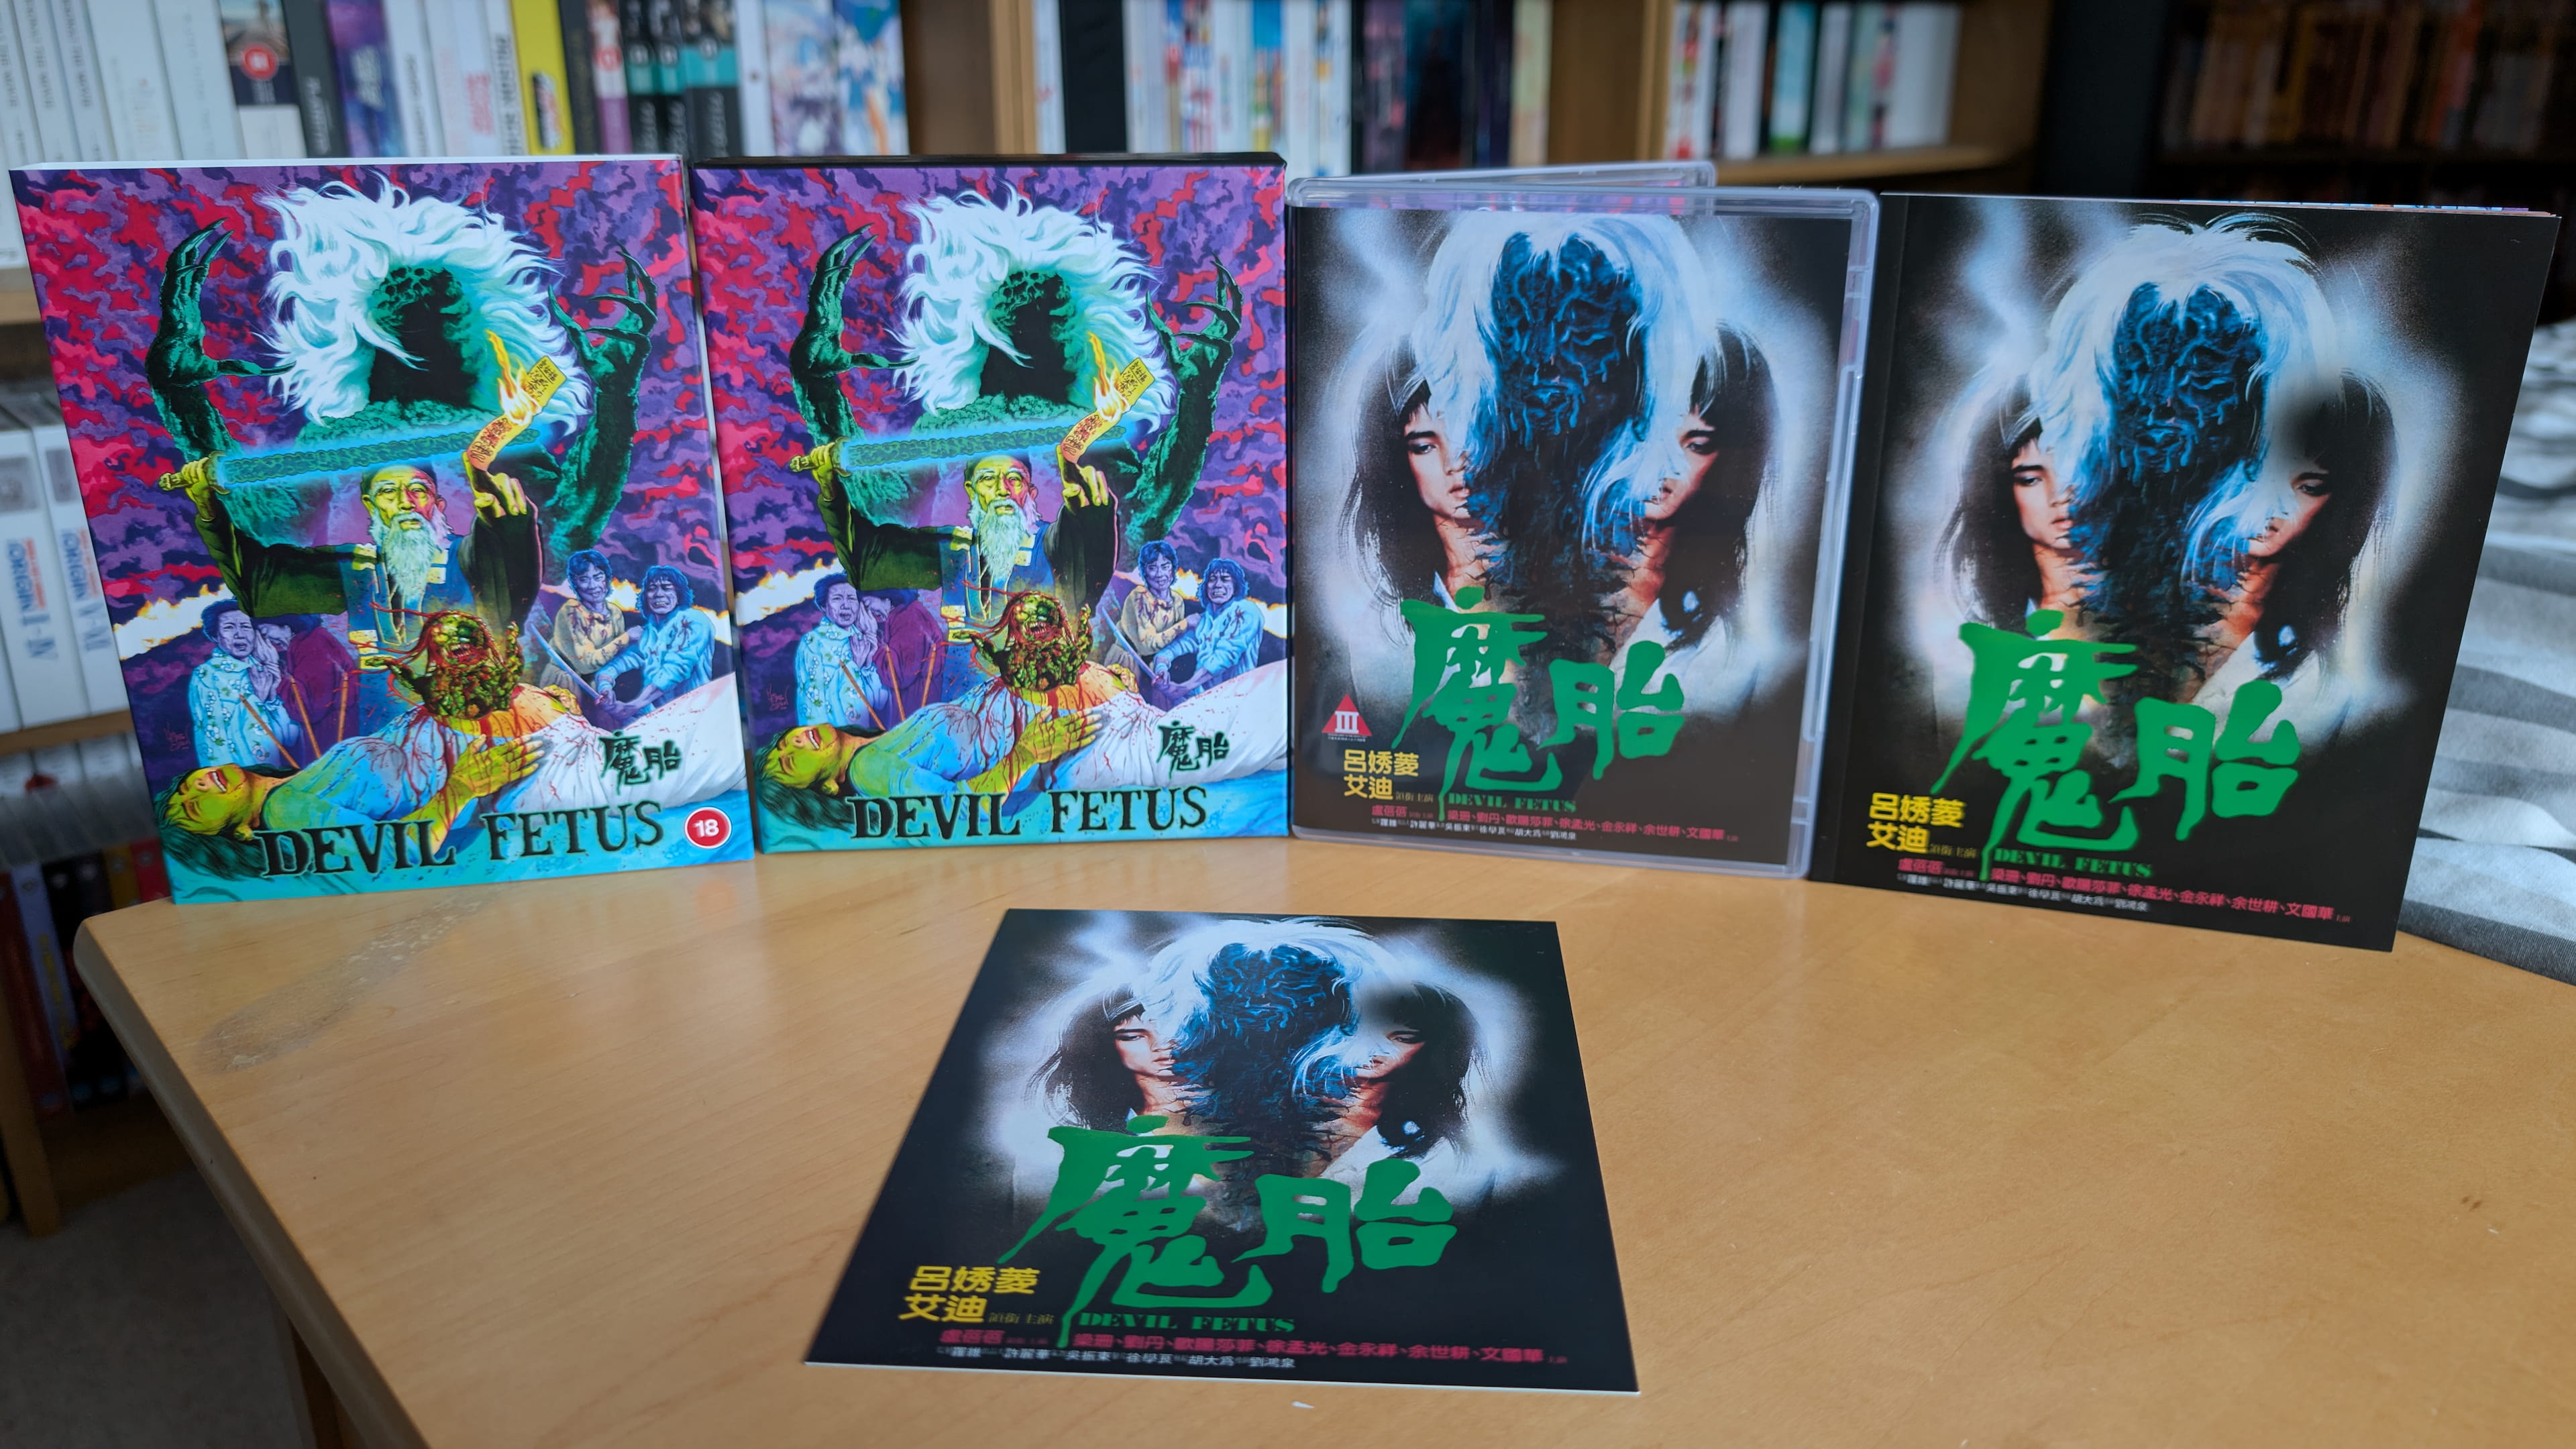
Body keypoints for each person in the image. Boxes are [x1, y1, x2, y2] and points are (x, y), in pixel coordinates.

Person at [761, 590, 1287, 801]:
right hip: (1085, 751)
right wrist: (1028, 752)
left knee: (1275, 722)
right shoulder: (870, 768)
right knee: (1281, 699)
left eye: (784, 742)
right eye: (787, 762)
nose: (793, 742)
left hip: (1102, 724)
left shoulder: (880, 744)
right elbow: (961, 811)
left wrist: (1090, 677)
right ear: (825, 786)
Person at [2194, 372, 2394, 710]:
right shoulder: (2136, 585)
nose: (2275, 506)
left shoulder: (2315, 676)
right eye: (2261, 468)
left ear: (2336, 504)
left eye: (2309, 487)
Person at [1942, 384, 2095, 632]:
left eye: (2072, 469)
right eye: (2031, 480)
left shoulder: (2146, 606)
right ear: (2004, 491)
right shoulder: (1998, 627)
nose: (2059, 495)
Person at [593, 566, 714, 721]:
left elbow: (676, 670)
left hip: (693, 714)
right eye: (652, 589)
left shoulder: (694, 620)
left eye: (666, 588)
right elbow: (614, 667)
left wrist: (634, 705)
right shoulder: (648, 634)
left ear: (679, 593)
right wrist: (605, 688)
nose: (659, 594)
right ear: (646, 597)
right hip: (657, 718)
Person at [189, 601, 299, 767]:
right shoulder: (207, 675)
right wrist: (257, 699)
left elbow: (289, 738)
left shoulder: (263, 668)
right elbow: (215, 740)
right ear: (215, 636)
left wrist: (271, 698)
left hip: (274, 770)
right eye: (229, 627)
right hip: (238, 774)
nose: (239, 634)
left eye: (246, 627)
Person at [794, 574, 897, 729]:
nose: (846, 605)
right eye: (837, 599)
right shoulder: (813, 642)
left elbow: (879, 702)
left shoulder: (864, 638)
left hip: (865, 733)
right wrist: (855, 665)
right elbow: (813, 702)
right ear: (824, 606)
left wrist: (868, 663)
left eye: (851, 598)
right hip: (833, 735)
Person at [1152, 557, 1265, 694]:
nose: (1218, 585)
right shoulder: (1204, 621)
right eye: (1212, 579)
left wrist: (1186, 687)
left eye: (1225, 579)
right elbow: (1173, 650)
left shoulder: (1246, 611)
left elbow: (1225, 657)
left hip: (1237, 696)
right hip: (1203, 698)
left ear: (1236, 585)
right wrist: (1162, 669)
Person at [537, 549, 629, 700]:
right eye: (584, 579)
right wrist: (626, 638)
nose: (592, 586)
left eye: (598, 577)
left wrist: (606, 685)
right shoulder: (572, 612)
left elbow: (616, 659)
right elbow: (586, 664)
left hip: (597, 687)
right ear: (575, 583)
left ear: (606, 579)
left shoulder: (615, 613)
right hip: (565, 685)